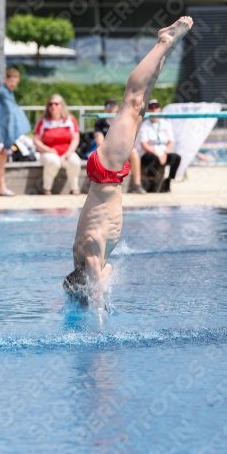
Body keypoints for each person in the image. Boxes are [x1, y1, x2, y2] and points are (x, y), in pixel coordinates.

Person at [63, 16, 193, 304]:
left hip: (105, 172)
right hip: (110, 176)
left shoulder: (89, 253)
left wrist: (96, 312)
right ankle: (167, 49)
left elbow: (97, 280)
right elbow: (98, 274)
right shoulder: (89, 257)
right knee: (141, 106)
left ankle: (163, 42)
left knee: (131, 102)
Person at [0, 68, 30, 196]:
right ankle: (0, 187)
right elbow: (8, 114)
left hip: (1, 130)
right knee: (0, 160)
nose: (14, 84)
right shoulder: (3, 93)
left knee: (2, 159)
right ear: (6, 80)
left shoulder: (8, 92)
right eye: (12, 81)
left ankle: (0, 187)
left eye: (16, 82)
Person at [94, 97, 146, 194]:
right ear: (104, 108)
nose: (110, 108)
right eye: (108, 106)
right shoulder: (99, 123)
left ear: (117, 107)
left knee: (134, 152)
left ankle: (137, 184)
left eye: (112, 105)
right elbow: (100, 143)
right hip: (107, 151)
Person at [33, 95, 81, 195]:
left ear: (61, 106)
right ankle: (46, 189)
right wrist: (48, 150)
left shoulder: (70, 120)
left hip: (66, 152)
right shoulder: (43, 121)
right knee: (53, 161)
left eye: (56, 104)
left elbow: (75, 138)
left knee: (75, 161)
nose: (53, 106)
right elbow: (36, 140)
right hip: (48, 153)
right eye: (50, 104)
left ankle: (74, 189)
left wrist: (70, 151)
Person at [138, 99, 181, 192]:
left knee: (177, 158)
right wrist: (158, 154)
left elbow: (171, 141)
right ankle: (151, 182)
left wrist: (165, 153)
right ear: (148, 110)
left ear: (159, 109)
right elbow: (144, 145)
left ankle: (168, 180)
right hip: (150, 153)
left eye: (156, 107)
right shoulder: (145, 125)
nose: (154, 110)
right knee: (154, 158)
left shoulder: (166, 124)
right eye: (151, 108)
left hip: (163, 152)